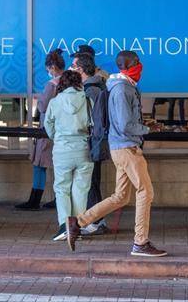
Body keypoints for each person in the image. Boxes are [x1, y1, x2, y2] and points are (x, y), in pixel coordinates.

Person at [65, 51, 167, 257]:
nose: (140, 65)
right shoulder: (122, 89)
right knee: (145, 192)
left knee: (120, 197)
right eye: (136, 62)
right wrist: (147, 130)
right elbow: (124, 124)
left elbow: (124, 121)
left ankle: (78, 222)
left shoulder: (121, 86)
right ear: (128, 65)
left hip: (120, 147)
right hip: (127, 148)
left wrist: (145, 124)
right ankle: (140, 242)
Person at [45, 70, 94, 242]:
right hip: (84, 149)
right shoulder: (87, 100)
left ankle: (64, 226)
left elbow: (48, 125)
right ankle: (76, 228)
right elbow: (93, 124)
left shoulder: (54, 102)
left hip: (62, 149)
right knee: (81, 190)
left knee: (62, 189)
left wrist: (57, 137)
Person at [16, 49, 66, 211]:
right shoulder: (70, 81)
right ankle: (59, 199)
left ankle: (34, 200)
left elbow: (43, 106)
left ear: (52, 67)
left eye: (47, 69)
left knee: (40, 164)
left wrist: (38, 102)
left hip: (48, 129)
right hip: (63, 128)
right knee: (60, 166)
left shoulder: (52, 84)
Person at [71, 51, 109, 236]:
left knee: (90, 182)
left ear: (80, 69)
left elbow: (91, 120)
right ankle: (96, 219)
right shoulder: (98, 86)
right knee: (91, 181)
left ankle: (96, 221)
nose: (71, 70)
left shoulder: (90, 90)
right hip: (95, 142)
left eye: (73, 66)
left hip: (92, 142)